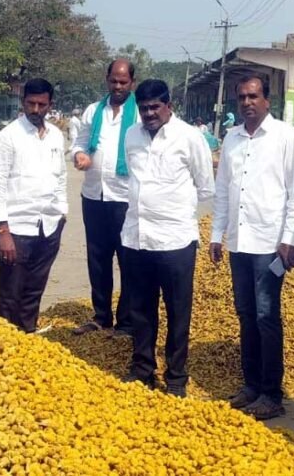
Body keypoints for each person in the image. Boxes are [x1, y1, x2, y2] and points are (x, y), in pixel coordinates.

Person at [209, 75, 294, 418]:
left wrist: (289, 238)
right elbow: (224, 189)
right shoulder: (232, 138)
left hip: (269, 244)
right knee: (245, 314)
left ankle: (271, 393)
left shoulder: (285, 136)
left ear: (267, 100)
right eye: (242, 98)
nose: (247, 102)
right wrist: (217, 234)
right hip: (239, 242)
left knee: (266, 316)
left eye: (254, 96)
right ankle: (251, 385)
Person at [121, 79, 214, 397]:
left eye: (155, 107)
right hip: (137, 237)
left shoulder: (189, 137)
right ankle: (142, 369)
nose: (149, 114)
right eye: (143, 108)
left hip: (175, 241)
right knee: (140, 309)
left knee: (177, 311)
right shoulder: (132, 135)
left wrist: (175, 211)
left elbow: (205, 186)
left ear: (168, 106)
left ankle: (176, 378)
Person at [0, 78, 68, 334]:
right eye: (30, 103)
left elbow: (61, 176)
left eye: (41, 104)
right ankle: (6, 342)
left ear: (50, 105)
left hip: (48, 226)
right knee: (11, 293)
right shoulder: (9, 136)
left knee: (35, 289)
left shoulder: (56, 136)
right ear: (23, 103)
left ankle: (28, 337)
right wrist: (3, 230)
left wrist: (62, 213)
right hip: (16, 229)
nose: (35, 109)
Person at [70, 59, 138, 337]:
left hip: (126, 198)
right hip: (94, 196)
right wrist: (80, 155)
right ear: (107, 79)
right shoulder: (93, 111)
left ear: (132, 82)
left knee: (128, 260)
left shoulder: (139, 113)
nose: (118, 86)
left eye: (123, 82)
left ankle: (127, 322)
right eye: (113, 81)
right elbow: (80, 141)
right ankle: (101, 316)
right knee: (97, 259)